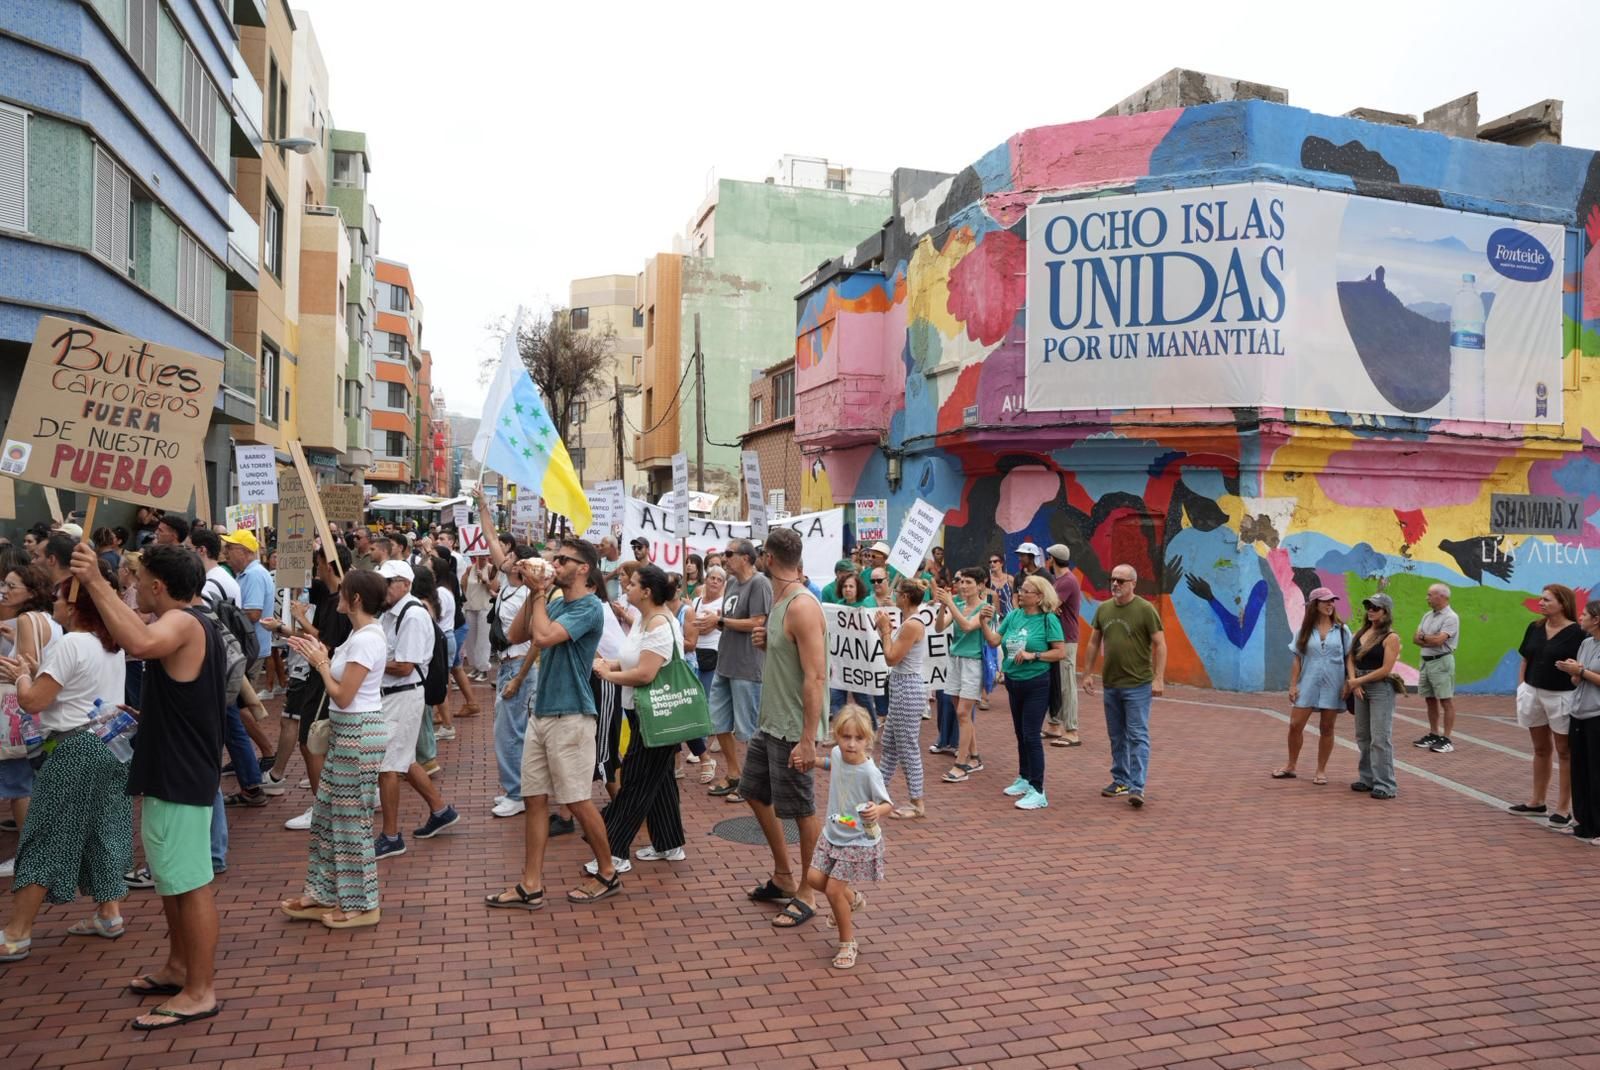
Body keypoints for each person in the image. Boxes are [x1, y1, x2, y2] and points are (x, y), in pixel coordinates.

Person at [71, 542, 226, 1030]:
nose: (133, 586)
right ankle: (180, 968)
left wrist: (95, 579)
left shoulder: (182, 620)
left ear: (159, 586)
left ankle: (200, 990)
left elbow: (138, 643)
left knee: (189, 882)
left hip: (180, 772)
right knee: (172, 880)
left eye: (137, 579)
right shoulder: (190, 621)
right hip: (173, 766)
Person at [0, 562, 128, 962]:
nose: (54, 602)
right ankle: (109, 914)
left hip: (73, 749)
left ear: (75, 605)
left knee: (43, 837)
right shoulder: (109, 642)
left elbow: (35, 700)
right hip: (110, 745)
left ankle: (16, 932)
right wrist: (33, 673)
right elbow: (69, 689)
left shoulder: (72, 643)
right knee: (99, 831)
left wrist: (22, 676)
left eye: (60, 596)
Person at [484, 537, 613, 910]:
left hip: (571, 714)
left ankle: (607, 871)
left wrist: (539, 591)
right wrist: (532, 591)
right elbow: (518, 636)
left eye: (562, 560)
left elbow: (543, 637)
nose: (554, 564)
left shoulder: (589, 608)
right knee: (535, 798)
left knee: (576, 800)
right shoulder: (556, 602)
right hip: (543, 713)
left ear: (584, 568)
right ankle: (531, 884)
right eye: (554, 559)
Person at [281, 569, 390, 929]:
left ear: (355, 599)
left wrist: (321, 663)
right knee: (327, 814)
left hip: (358, 731)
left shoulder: (366, 639)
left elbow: (343, 693)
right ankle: (322, 892)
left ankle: (361, 902)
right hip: (348, 730)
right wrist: (316, 651)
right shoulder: (359, 635)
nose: (338, 596)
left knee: (349, 821)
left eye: (344, 592)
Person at [741, 527, 828, 929]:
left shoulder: (802, 605)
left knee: (802, 809)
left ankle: (808, 890)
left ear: (769, 559)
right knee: (754, 792)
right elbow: (786, 653)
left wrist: (808, 740)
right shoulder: (779, 599)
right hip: (770, 720)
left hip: (793, 726)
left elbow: (815, 677)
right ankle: (782, 875)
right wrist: (766, 641)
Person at [590, 565, 688, 868]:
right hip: (642, 713)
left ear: (646, 592)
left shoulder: (659, 624)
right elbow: (631, 658)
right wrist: (610, 664)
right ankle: (669, 844)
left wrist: (609, 674)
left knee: (635, 781)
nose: (625, 587)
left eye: (631, 584)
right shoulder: (643, 620)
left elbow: (645, 673)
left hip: (654, 716)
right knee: (659, 781)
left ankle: (615, 851)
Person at [373, 561, 459, 858]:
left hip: (403, 694)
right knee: (404, 759)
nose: (382, 587)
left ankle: (391, 835)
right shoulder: (391, 612)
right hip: (397, 694)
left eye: (389, 582)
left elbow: (405, 665)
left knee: (388, 766)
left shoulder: (410, 615)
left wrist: (366, 664)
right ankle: (440, 810)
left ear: (405, 584)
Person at [806, 705, 891, 970]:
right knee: (813, 879)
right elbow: (834, 764)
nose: (851, 744)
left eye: (858, 738)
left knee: (833, 890)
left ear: (868, 740)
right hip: (833, 831)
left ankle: (847, 942)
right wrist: (814, 761)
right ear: (836, 736)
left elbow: (887, 802)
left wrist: (877, 810)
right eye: (845, 737)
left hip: (856, 840)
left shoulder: (869, 772)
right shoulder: (836, 753)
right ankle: (852, 900)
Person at [278, 546, 354, 831]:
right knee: (315, 741)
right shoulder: (329, 596)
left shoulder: (340, 602)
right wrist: (287, 631)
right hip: (317, 675)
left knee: (312, 741)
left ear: (330, 566)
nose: (316, 569)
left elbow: (328, 642)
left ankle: (322, 806)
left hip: (325, 678)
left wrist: (301, 620)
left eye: (319, 563)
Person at [1082, 564, 1166, 808]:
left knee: (1138, 735)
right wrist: (1087, 673)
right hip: (1112, 684)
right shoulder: (1104, 609)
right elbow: (1093, 642)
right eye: (1113, 579)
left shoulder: (1145, 609)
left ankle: (1137, 786)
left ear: (1133, 584)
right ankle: (1120, 779)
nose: (1115, 584)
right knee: (1116, 735)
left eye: (1121, 580)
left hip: (1138, 684)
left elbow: (1160, 644)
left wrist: (1158, 677)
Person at [0, 562, 60, 879]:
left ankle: (29, 855)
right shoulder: (48, 619)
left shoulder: (25, 619)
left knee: (19, 784)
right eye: (4, 585)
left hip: (20, 710)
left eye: (12, 586)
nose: (5, 591)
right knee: (29, 779)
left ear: (31, 592)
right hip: (42, 710)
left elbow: (22, 668)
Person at [988, 574, 1067, 810]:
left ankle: (1038, 789)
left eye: (1026, 591)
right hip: (1014, 681)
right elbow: (994, 641)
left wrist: (1035, 655)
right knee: (1020, 733)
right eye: (1020, 589)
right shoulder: (1013, 616)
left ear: (1039, 596)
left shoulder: (1048, 620)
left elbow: (1060, 652)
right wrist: (983, 622)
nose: (1020, 593)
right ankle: (1024, 777)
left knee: (1032, 735)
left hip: (1037, 682)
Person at [705, 539, 771, 802]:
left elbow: (757, 622)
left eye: (729, 554)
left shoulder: (760, 583)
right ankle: (734, 774)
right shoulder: (731, 583)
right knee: (718, 720)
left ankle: (755, 782)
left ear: (745, 557)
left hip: (747, 666)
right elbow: (730, 619)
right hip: (726, 662)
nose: (725, 557)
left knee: (749, 729)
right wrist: (714, 623)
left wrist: (720, 621)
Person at [1511, 584, 1583, 825]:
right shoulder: (1535, 627)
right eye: (1541, 599)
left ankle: (1563, 808)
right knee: (1540, 749)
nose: (1540, 603)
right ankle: (1537, 801)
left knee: (1565, 751)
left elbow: (1582, 666)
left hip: (1562, 696)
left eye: (1546, 600)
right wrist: (1522, 686)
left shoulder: (1578, 633)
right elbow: (1526, 658)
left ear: (1562, 603)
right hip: (1533, 692)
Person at [1274, 588, 1350, 785]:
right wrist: (1292, 685)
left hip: (1334, 684)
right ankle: (1291, 766)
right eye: (1325, 601)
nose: (1330, 604)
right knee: (1295, 725)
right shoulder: (1303, 631)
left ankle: (1321, 770)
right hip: (1307, 683)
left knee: (1327, 727)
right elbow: (1297, 659)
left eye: (1332, 601)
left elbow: (1350, 657)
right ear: (1315, 605)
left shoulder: (1342, 630)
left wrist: (1349, 682)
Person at [489, 547, 539, 818]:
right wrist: (483, 505)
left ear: (521, 566)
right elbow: (492, 542)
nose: (503, 559)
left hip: (519, 664)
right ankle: (514, 788)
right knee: (506, 730)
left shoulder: (527, 596)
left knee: (510, 732)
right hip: (507, 664)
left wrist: (519, 678)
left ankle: (517, 793)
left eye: (510, 557)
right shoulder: (508, 587)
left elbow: (536, 641)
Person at [873, 579, 927, 819]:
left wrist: (885, 629)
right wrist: (882, 629)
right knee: (890, 745)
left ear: (905, 597)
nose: (894, 595)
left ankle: (917, 802)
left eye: (897, 593)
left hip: (907, 688)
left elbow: (891, 657)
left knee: (907, 748)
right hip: (900, 686)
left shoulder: (912, 624)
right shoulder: (908, 622)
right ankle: (878, 793)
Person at [1346, 592, 1403, 800]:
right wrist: (1353, 682)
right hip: (1359, 686)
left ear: (1385, 611)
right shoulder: (1360, 633)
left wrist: (1357, 682)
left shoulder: (1391, 637)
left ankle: (1386, 784)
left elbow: (1386, 669)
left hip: (1380, 687)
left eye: (1375, 607)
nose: (1370, 610)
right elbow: (1350, 658)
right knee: (1363, 735)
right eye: (1368, 606)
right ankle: (1367, 778)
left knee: (1380, 737)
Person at [934, 567, 991, 770]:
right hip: (956, 659)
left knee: (963, 713)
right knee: (962, 713)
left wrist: (950, 603)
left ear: (980, 585)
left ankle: (962, 764)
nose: (963, 586)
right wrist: (943, 606)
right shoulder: (957, 604)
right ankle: (975, 757)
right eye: (962, 581)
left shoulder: (984, 608)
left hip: (972, 662)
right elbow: (939, 627)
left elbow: (967, 626)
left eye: (968, 582)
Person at [1555, 600, 1600, 843]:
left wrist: (1581, 672)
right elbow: (1578, 680)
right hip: (1579, 711)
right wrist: (1573, 672)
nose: (1580, 618)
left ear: (1597, 619)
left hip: (1597, 715)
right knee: (1580, 769)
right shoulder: (1585, 643)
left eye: (1584, 614)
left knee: (1597, 771)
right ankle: (1583, 822)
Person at [1413, 583, 1461, 754]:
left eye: (1430, 595)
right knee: (1430, 699)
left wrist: (1425, 637)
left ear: (1442, 597)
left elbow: (1439, 641)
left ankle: (1446, 739)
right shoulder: (1427, 616)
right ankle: (1434, 733)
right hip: (1426, 661)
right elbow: (1415, 639)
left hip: (1441, 661)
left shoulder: (1451, 617)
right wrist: (1428, 638)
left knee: (1445, 700)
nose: (1427, 598)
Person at [1042, 544, 1082, 747]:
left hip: (1066, 638)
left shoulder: (1066, 581)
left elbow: (1048, 605)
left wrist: (1049, 606)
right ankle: (1054, 724)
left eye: (1048, 558)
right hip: (1057, 637)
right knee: (1055, 682)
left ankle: (1072, 729)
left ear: (1052, 560)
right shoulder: (1059, 580)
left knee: (1067, 683)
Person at [462, 555, 494, 682]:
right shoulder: (470, 569)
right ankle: (475, 666)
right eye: (480, 557)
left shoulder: (491, 569)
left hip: (485, 607)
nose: (482, 560)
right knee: (471, 639)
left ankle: (483, 669)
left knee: (483, 639)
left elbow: (494, 588)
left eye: (485, 557)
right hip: (471, 606)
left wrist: (485, 580)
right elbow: (464, 584)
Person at [598, 536, 623, 602]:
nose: (600, 548)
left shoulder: (623, 562)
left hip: (619, 605)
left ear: (612, 546)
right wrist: (613, 574)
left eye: (602, 545)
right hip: (603, 604)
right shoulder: (599, 562)